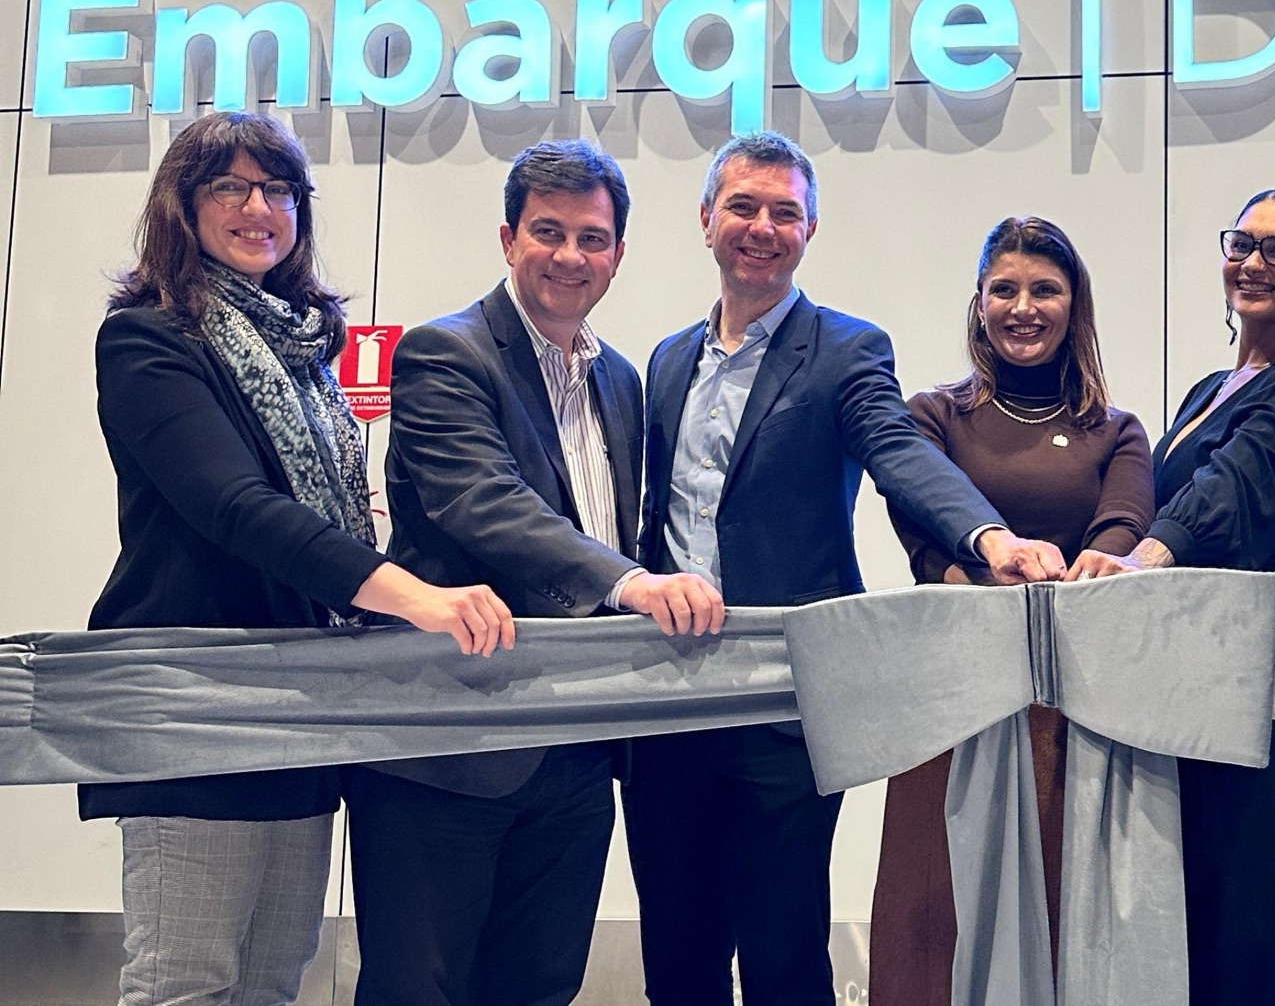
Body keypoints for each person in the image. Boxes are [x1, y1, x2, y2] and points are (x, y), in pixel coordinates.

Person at [623, 131, 1065, 1006]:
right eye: (743, 206)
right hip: (668, 702)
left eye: (785, 212)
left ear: (810, 229)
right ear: (706, 218)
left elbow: (898, 450)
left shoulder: (845, 348)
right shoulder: (668, 360)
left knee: (784, 955)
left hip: (784, 705)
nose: (763, 227)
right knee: (676, 957)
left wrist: (988, 538)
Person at [85, 110, 513, 1006]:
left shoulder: (305, 353)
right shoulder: (149, 338)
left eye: (278, 189)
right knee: (185, 986)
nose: (258, 208)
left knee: (271, 984)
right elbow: (236, 508)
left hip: (304, 710)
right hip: (196, 712)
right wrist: (412, 596)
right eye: (230, 187)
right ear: (182, 205)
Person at [351, 139, 720, 1006]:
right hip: (448, 746)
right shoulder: (444, 354)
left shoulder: (621, 379)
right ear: (508, 238)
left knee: (540, 988)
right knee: (418, 991)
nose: (569, 255)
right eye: (548, 231)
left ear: (618, 254)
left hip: (577, 753)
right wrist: (631, 584)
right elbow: (484, 501)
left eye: (592, 238)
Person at [1068, 188, 1275, 1005]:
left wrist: (1140, 563)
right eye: (1242, 243)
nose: (1253, 262)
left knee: (1271, 921)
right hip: (1199, 688)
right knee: (1207, 922)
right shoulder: (1211, 386)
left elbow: (1228, 492)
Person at [869, 216, 1155, 1005]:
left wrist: (1073, 578)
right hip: (948, 699)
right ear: (979, 301)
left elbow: (1123, 528)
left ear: (1074, 304)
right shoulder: (933, 415)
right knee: (935, 904)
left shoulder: (1116, 430)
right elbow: (925, 536)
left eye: (1044, 290)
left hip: (1067, 707)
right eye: (1004, 289)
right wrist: (987, 582)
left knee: (1061, 907)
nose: (1023, 308)